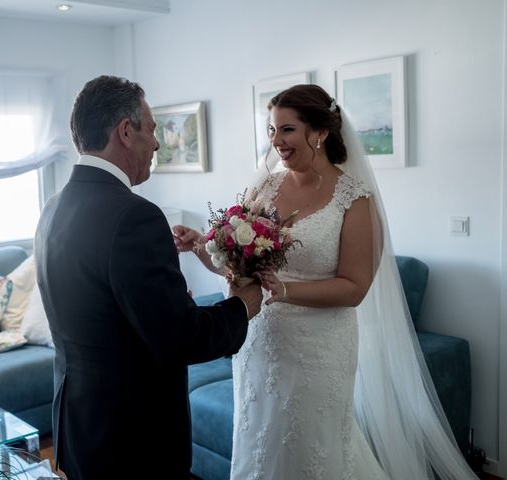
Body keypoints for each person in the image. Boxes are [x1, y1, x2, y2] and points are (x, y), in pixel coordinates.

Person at [173, 84, 477, 479]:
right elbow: (238, 269)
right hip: (259, 343)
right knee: (259, 442)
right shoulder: (265, 186)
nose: (276, 141)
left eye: (287, 129)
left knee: (313, 449)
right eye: (271, 130)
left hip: (318, 348)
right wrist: (202, 247)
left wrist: (286, 290)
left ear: (319, 132)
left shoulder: (354, 198)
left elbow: (355, 287)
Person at [33, 75, 263, 480]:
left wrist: (165, 301)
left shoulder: (53, 207)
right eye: (152, 129)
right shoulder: (134, 215)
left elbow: (102, 308)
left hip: (79, 426)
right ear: (125, 131)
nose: (157, 143)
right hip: (133, 441)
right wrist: (243, 304)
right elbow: (181, 337)